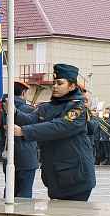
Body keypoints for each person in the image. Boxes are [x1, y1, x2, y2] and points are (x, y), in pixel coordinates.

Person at [12, 63, 96, 201]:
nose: (55, 86)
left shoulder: (78, 107)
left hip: (76, 177)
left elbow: (59, 127)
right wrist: (13, 112)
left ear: (72, 86)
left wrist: (24, 131)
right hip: (55, 176)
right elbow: (31, 119)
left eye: (60, 83)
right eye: (54, 83)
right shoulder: (48, 106)